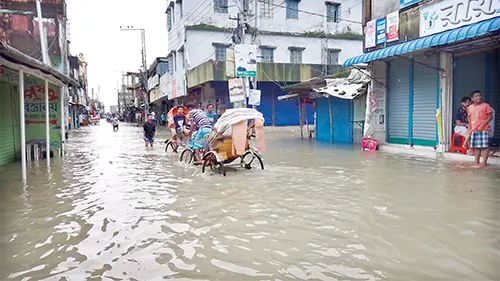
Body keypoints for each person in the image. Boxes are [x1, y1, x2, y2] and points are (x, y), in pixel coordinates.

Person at [468, 90, 493, 167]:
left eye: (479, 95)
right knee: (477, 147)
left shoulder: (486, 105)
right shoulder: (470, 107)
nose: (478, 97)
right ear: (472, 98)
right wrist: (470, 129)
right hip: (474, 130)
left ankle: (484, 163)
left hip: (484, 129)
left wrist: (482, 125)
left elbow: (490, 117)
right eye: (476, 96)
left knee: (485, 146)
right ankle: (476, 162)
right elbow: (469, 119)